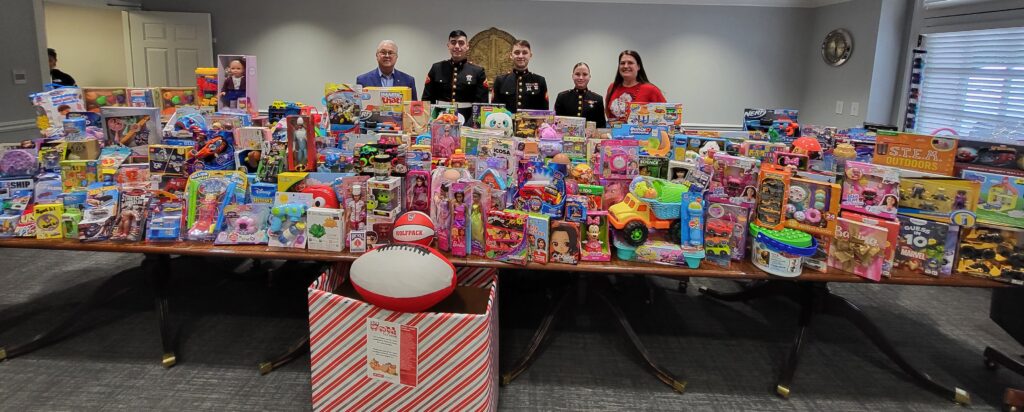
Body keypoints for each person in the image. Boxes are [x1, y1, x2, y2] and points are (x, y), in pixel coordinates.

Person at [422, 30, 489, 123]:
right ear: (448, 45)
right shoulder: (436, 68)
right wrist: (430, 121)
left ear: (467, 46)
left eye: (461, 43)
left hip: (467, 119)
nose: (457, 46)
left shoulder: (477, 71)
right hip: (439, 118)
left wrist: (470, 124)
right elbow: (426, 99)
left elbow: (481, 104)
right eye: (453, 43)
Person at [605, 50, 665, 124]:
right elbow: (608, 111)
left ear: (638, 67)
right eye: (622, 63)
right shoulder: (612, 87)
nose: (626, 66)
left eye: (630, 63)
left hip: (642, 134)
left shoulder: (651, 90)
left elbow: (664, 115)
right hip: (614, 133)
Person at [491, 40, 547, 113]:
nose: (520, 56)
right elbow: (495, 110)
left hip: (532, 124)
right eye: (517, 52)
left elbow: (544, 111)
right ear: (511, 55)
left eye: (524, 53)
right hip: (507, 123)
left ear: (530, 55)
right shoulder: (500, 81)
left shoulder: (539, 81)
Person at [554, 62, 606, 128]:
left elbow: (601, 126)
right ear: (572, 76)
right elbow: (556, 123)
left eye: (585, 74)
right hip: (566, 137)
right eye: (577, 74)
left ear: (589, 77)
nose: (581, 77)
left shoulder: (598, 99)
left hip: (590, 138)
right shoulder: (562, 97)